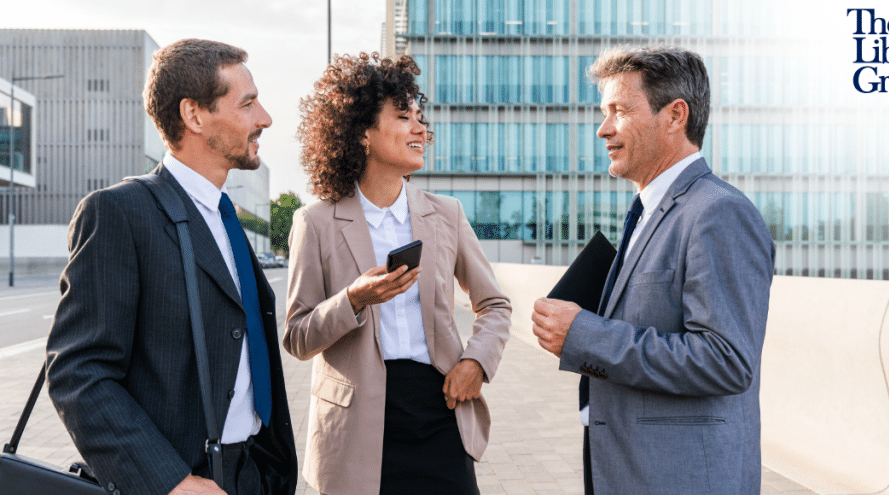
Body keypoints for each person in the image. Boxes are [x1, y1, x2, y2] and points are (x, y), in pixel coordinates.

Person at [46, 38, 298, 495]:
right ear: (194, 115)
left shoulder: (225, 219)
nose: (265, 118)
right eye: (247, 104)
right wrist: (171, 482)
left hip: (252, 471)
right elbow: (79, 373)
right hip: (183, 479)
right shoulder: (119, 212)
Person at [531, 46, 775, 494]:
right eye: (604, 113)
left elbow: (727, 360)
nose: (604, 129)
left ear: (675, 115)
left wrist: (585, 335)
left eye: (619, 111)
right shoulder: (646, 210)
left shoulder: (718, 213)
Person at [284, 52, 512, 495]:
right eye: (403, 116)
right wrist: (353, 298)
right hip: (356, 427)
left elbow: (495, 305)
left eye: (421, 118)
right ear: (363, 133)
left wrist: (476, 362)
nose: (420, 129)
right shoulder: (315, 221)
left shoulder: (447, 214)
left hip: (439, 410)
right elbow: (296, 336)